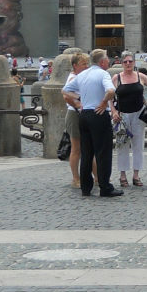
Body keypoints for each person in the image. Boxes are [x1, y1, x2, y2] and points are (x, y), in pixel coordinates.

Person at [71, 48, 121, 198]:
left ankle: (86, 188)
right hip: (99, 115)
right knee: (103, 153)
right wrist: (104, 102)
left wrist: (80, 104)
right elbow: (111, 91)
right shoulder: (103, 74)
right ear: (102, 61)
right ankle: (105, 187)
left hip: (84, 115)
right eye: (107, 59)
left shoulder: (82, 74)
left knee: (87, 153)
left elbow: (65, 91)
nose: (108, 61)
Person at [112, 51, 147, 188]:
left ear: (134, 63)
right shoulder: (116, 78)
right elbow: (110, 96)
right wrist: (113, 111)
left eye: (130, 61)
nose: (128, 64)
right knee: (122, 145)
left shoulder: (141, 76)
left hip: (138, 114)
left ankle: (136, 174)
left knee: (138, 145)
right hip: (122, 115)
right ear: (121, 63)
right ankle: (122, 175)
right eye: (125, 62)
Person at [61, 51, 91, 189]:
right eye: (83, 64)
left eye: (87, 63)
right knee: (76, 148)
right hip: (74, 114)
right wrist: (78, 105)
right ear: (75, 66)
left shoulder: (83, 75)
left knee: (90, 148)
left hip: (84, 113)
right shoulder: (73, 78)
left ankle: (96, 178)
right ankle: (76, 178)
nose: (86, 66)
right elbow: (66, 95)